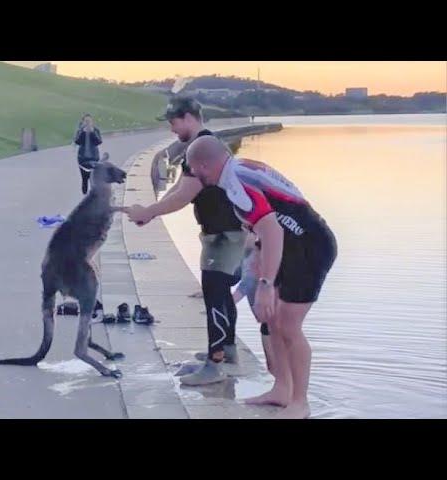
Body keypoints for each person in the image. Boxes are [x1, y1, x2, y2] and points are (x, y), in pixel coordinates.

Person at [186, 135, 337, 419]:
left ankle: (300, 403)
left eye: (194, 169)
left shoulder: (237, 184)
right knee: (273, 319)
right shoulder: (241, 169)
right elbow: (264, 227)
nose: (194, 175)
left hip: (310, 248)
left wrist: (266, 284)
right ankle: (282, 389)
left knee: (289, 325)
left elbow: (273, 230)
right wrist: (257, 263)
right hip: (290, 247)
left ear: (205, 165)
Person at [125, 97, 247, 386]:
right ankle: (226, 353)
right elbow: (180, 187)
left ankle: (214, 365)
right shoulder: (203, 145)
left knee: (215, 294)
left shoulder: (202, 148)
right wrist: (151, 211)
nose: (171, 129)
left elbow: (183, 195)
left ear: (190, 117)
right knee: (217, 293)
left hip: (225, 235)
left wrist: (149, 212)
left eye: (174, 122)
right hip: (220, 234)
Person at [232, 234, 275, 375]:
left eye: (247, 232)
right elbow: (234, 275)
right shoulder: (245, 254)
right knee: (273, 365)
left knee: (276, 364)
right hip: (266, 322)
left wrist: (226, 305)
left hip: (272, 320)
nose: (241, 236)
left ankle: (284, 390)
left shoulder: (256, 257)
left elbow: (246, 284)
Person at [74, 114, 103, 194]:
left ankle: (93, 197)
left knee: (93, 179)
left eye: (89, 121)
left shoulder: (96, 130)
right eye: (86, 121)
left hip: (94, 158)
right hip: (82, 159)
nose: (87, 123)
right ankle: (85, 196)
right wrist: (83, 133)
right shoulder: (80, 131)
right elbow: (77, 141)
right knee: (84, 179)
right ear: (83, 122)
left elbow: (99, 142)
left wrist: (92, 132)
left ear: (92, 122)